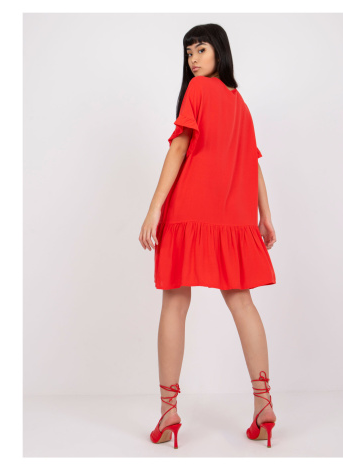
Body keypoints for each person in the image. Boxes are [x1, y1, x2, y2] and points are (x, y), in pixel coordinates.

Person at [139, 23, 277, 449]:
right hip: (233, 217)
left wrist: (154, 207)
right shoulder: (240, 102)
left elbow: (179, 147)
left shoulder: (198, 90)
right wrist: (264, 215)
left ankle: (168, 412)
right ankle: (264, 405)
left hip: (190, 211)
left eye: (201, 49)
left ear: (220, 51)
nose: (194, 59)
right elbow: (252, 162)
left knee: (175, 302)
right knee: (242, 301)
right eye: (188, 52)